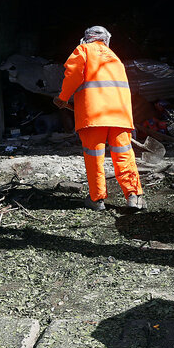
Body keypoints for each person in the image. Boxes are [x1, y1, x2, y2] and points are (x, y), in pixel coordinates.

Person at [54, 26, 145, 211]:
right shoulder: (114, 57)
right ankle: (133, 196)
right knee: (125, 155)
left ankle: (97, 199)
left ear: (86, 38)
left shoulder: (83, 50)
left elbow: (72, 75)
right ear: (105, 39)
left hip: (94, 116)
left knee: (95, 157)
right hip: (119, 116)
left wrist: (62, 98)